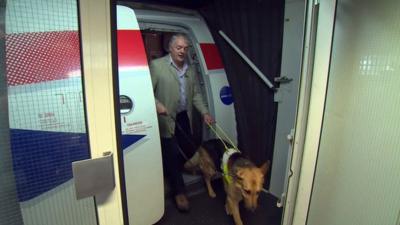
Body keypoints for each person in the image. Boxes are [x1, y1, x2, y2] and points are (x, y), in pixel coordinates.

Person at [149, 33, 214, 212]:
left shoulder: (190, 69)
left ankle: (169, 173)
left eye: (185, 48)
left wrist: (205, 112)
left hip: (183, 116)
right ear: (170, 48)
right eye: (179, 47)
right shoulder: (157, 66)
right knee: (170, 151)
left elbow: (196, 95)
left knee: (186, 148)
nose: (182, 51)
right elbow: (147, 92)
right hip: (165, 118)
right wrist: (157, 104)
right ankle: (180, 192)